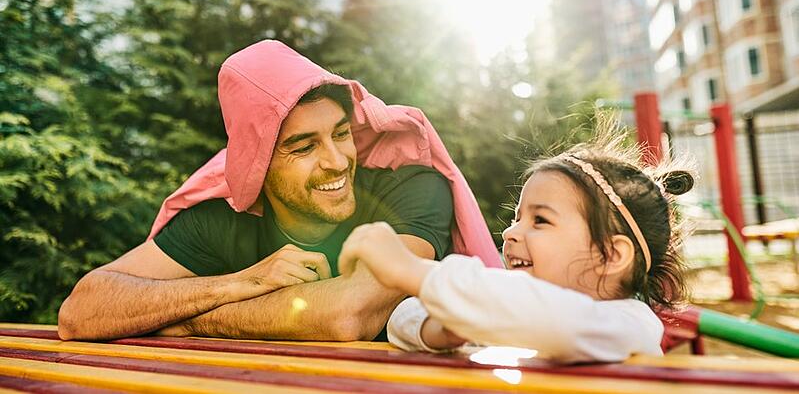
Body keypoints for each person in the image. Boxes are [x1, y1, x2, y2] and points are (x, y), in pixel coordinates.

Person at [57, 40, 500, 341]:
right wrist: (238, 283)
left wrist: (190, 320)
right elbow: (81, 312)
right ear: (258, 167)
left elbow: (348, 314)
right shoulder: (219, 217)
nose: (336, 160)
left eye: (341, 133)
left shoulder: (412, 187)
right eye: (304, 146)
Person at [338, 137, 693, 363]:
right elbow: (404, 315)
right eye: (516, 217)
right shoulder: (510, 307)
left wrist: (416, 272)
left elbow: (553, 321)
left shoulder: (628, 324)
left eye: (540, 221)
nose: (510, 231)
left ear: (611, 256)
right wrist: (441, 328)